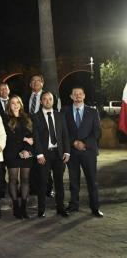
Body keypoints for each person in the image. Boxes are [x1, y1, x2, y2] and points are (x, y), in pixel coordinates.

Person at [64, 87, 103, 217]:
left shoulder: (92, 112)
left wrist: (84, 143)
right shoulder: (66, 111)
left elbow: (97, 132)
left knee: (92, 180)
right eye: (75, 94)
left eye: (80, 93)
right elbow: (63, 132)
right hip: (73, 152)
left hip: (89, 152)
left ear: (84, 95)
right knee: (73, 181)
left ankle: (95, 207)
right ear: (71, 96)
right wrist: (74, 142)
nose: (78, 96)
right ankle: (74, 205)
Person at [33, 91, 70, 218]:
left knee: (59, 182)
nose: (48, 101)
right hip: (44, 154)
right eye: (45, 99)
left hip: (59, 154)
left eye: (50, 99)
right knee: (43, 182)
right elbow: (36, 137)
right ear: (41, 101)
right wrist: (39, 154)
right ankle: (41, 209)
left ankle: (61, 208)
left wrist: (67, 151)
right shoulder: (36, 117)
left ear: (53, 101)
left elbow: (65, 134)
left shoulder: (60, 115)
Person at [3, 95, 34, 219]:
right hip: (11, 152)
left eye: (17, 103)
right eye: (12, 103)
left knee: (25, 180)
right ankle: (16, 205)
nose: (15, 105)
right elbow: (8, 136)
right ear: (9, 105)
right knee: (13, 180)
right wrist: (24, 139)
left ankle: (23, 207)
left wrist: (28, 151)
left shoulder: (27, 118)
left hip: (26, 153)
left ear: (21, 104)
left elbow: (33, 136)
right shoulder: (6, 119)